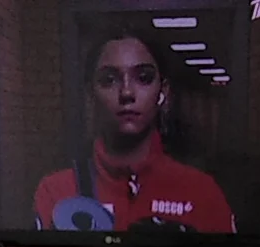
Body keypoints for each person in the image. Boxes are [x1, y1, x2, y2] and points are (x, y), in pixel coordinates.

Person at [35, 26, 235, 235]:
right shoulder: (56, 192)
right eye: (109, 80)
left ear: (163, 91)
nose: (127, 92)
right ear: (90, 94)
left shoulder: (202, 191)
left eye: (144, 77)